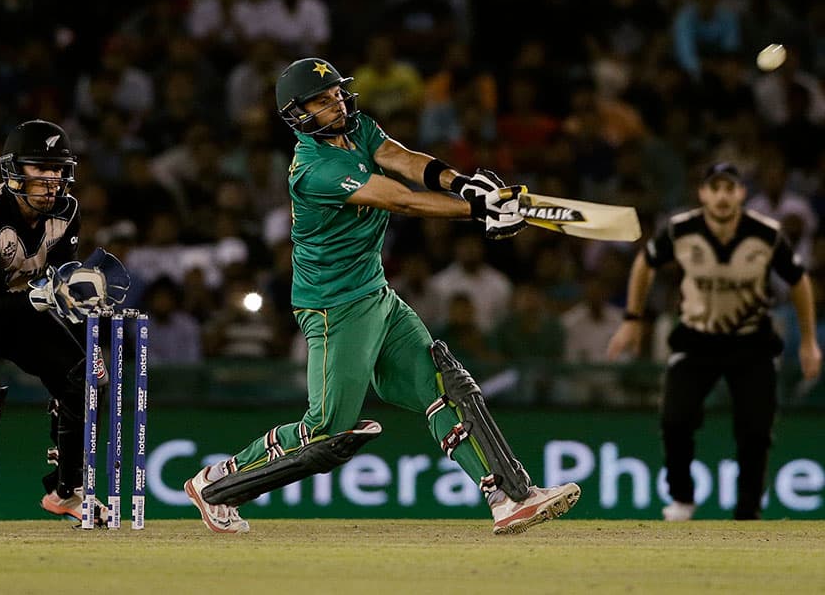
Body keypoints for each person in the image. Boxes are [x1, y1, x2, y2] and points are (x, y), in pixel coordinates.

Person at [184, 57, 581, 535]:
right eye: (321, 99)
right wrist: (475, 212)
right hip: (334, 307)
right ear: (298, 114)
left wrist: (465, 185)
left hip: (375, 293)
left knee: (445, 385)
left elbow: (407, 161)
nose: (335, 102)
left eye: (336, 92)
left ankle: (510, 498)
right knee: (326, 429)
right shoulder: (315, 169)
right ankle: (216, 484)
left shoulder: (360, 129)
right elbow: (400, 198)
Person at [0, 119, 128, 528]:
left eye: (58, 170)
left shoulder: (68, 211)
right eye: (39, 169)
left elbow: (61, 280)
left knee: (84, 378)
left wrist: (88, 332)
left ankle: (67, 491)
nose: (51, 180)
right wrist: (46, 295)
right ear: (14, 170)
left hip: (16, 300)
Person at [606, 162, 822, 521]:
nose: (722, 196)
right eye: (715, 188)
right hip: (696, 339)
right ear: (703, 193)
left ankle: (748, 510)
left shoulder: (766, 234)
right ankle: (682, 500)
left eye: (729, 188)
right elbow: (645, 264)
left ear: (741, 193)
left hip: (750, 341)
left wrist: (809, 341)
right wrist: (632, 320)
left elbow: (799, 281)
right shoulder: (680, 230)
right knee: (675, 419)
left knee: (755, 429)